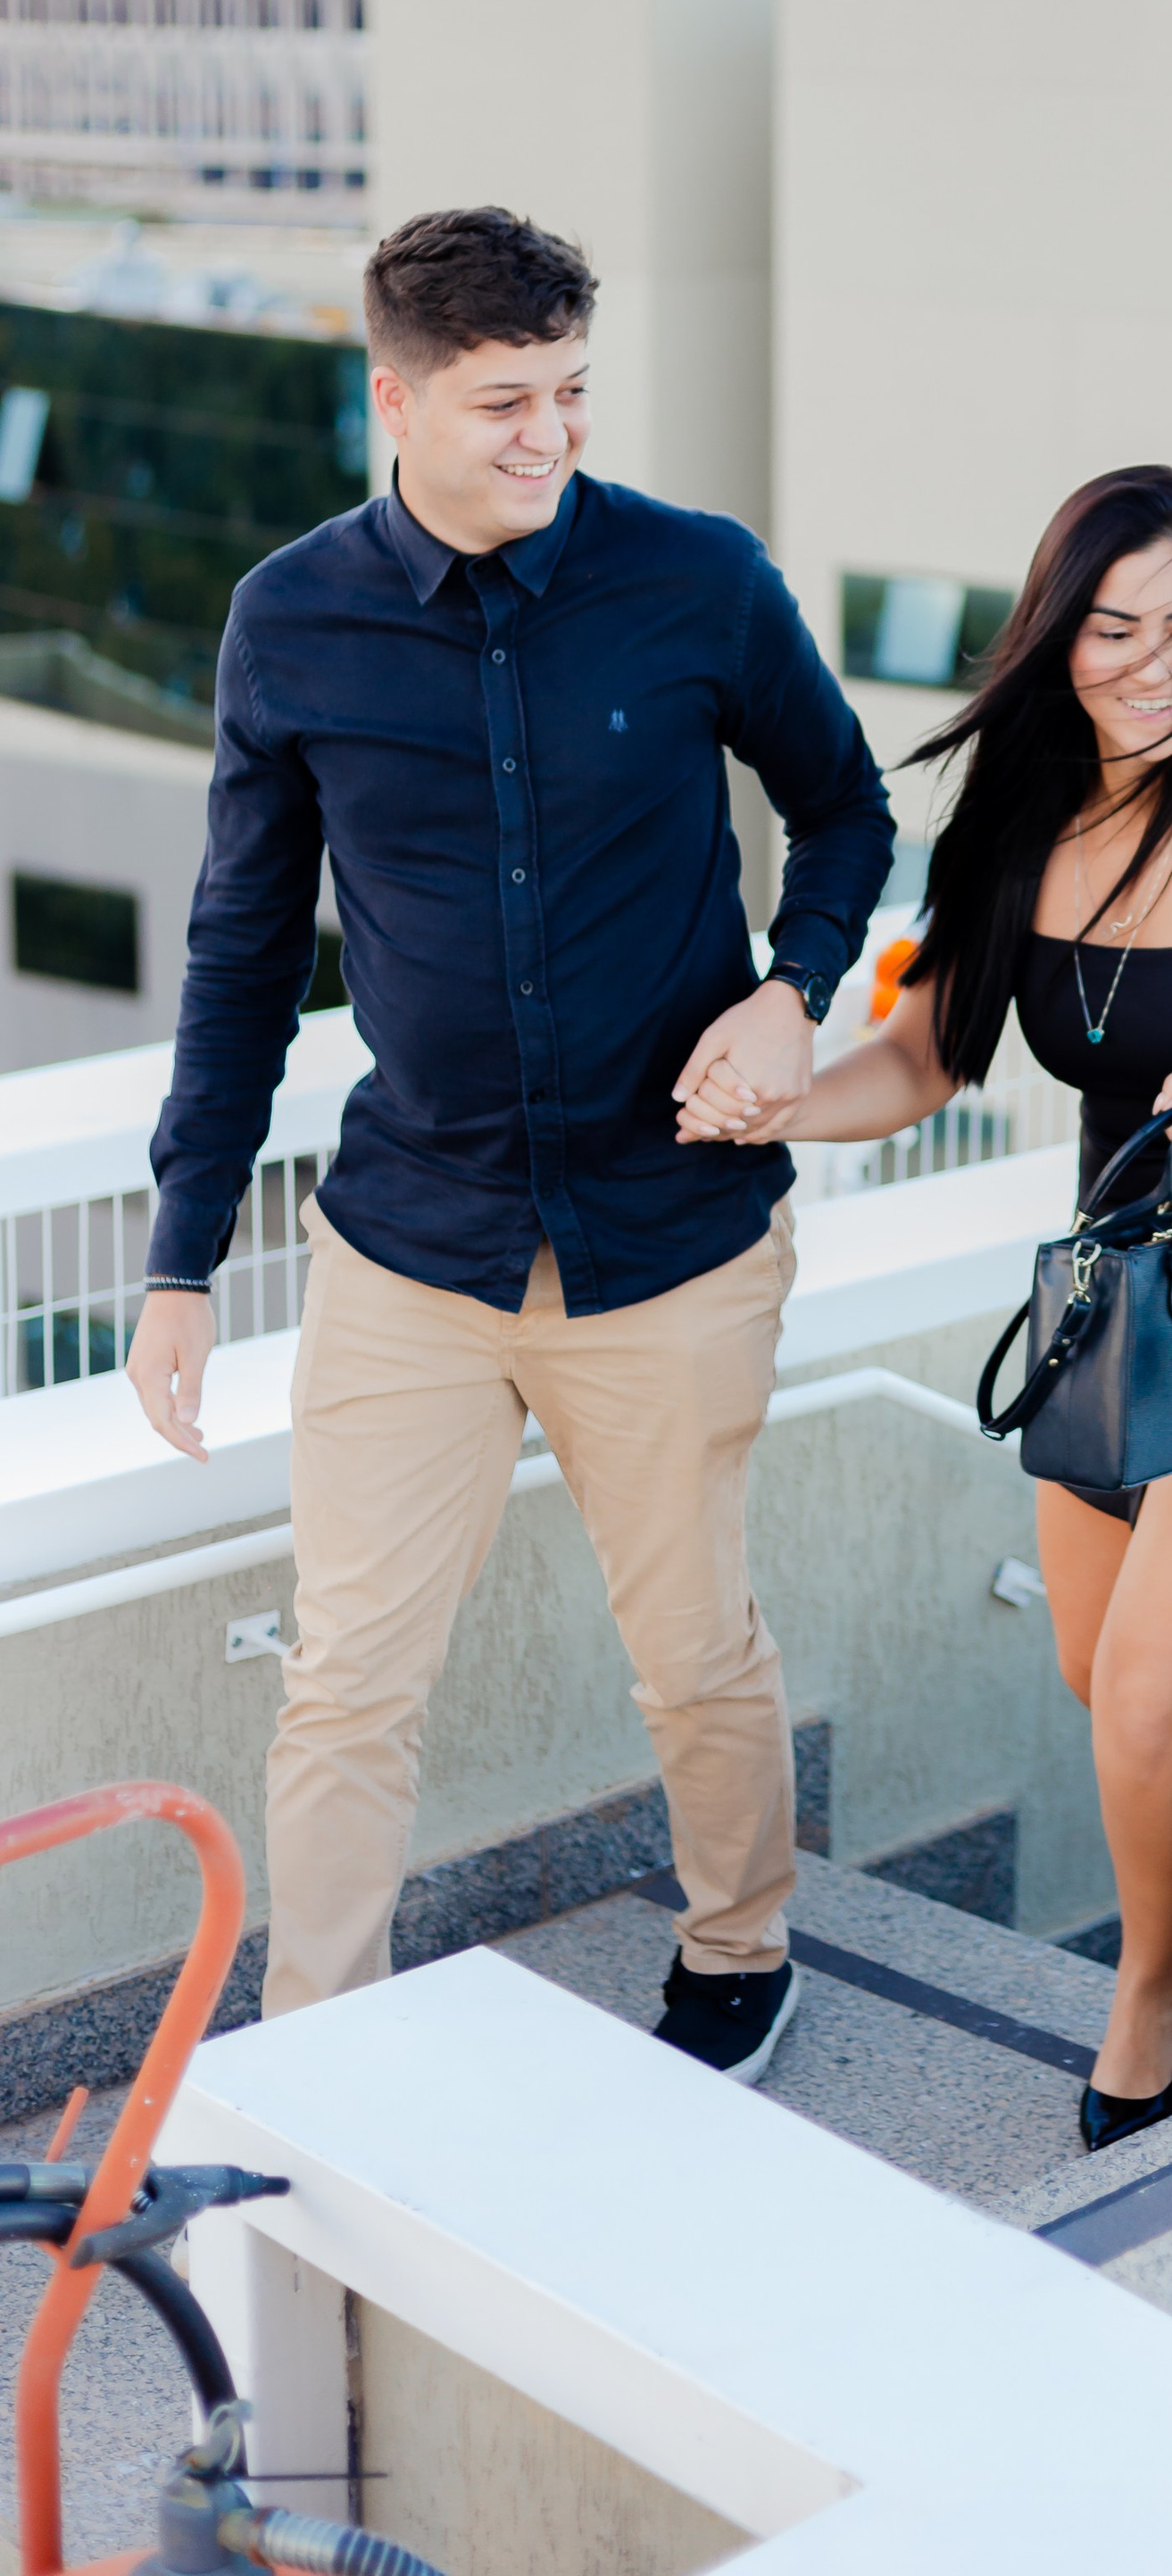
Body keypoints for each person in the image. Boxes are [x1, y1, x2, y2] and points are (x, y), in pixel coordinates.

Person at [127, 206, 894, 2085]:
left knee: (693, 1650)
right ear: (392, 396)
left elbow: (845, 809)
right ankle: (317, 2057)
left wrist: (792, 988)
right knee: (343, 1687)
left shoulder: (697, 581)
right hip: (414, 1250)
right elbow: (240, 954)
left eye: (566, 393)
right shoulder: (288, 621)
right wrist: (179, 1257)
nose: (547, 437)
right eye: (501, 403)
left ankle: (740, 1949)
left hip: (678, 1241)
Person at [680, 465, 1172, 2148]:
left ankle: (1154, 1986)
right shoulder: (1018, 821)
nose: (1155, 662)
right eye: (1116, 626)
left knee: (1149, 1686)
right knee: (1104, 1665)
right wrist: (778, 1104)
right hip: (1129, 1297)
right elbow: (921, 1057)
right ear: (1056, 635)